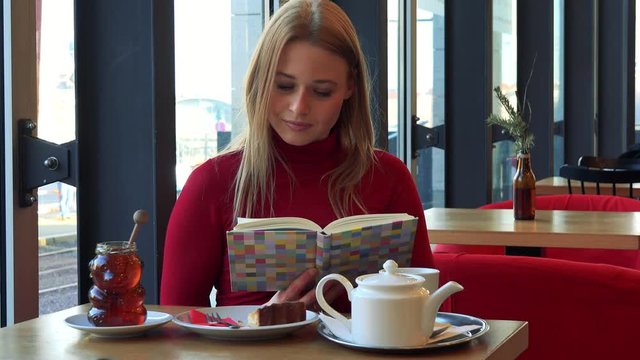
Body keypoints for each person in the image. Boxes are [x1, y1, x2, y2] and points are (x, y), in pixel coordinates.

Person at [160, 0, 435, 310]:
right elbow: (175, 333)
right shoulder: (213, 183)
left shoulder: (389, 177)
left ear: (350, 87)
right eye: (284, 85)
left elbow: (427, 310)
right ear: (261, 80)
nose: (299, 107)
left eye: (321, 91)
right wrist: (262, 325)